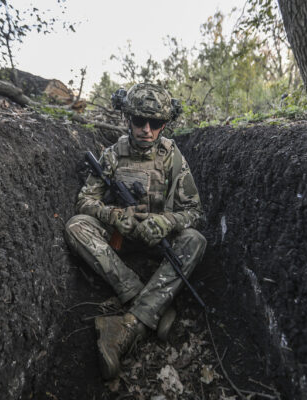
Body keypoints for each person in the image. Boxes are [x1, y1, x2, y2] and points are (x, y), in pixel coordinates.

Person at [64, 83, 207, 380]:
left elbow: (194, 211)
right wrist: (114, 214)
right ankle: (142, 298)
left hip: (159, 240)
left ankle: (129, 323)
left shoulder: (173, 158)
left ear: (164, 125)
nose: (146, 129)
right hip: (123, 238)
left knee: (195, 240)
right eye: (139, 121)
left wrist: (167, 222)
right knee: (76, 226)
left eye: (155, 123)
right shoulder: (114, 155)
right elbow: (85, 200)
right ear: (127, 119)